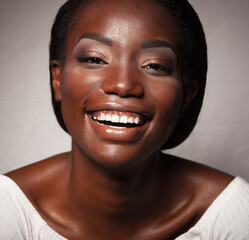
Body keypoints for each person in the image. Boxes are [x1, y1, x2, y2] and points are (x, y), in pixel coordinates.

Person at [0, 0, 249, 239]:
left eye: (154, 65)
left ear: (186, 96)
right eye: (95, 59)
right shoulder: (9, 209)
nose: (123, 84)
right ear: (58, 79)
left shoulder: (230, 212)